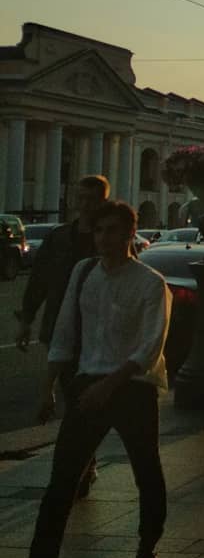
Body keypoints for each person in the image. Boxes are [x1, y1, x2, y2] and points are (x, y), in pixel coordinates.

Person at [0, 200, 172, 558]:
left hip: (132, 389)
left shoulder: (151, 283)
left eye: (112, 231)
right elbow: (64, 335)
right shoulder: (82, 274)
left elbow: (150, 348)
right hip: (87, 386)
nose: (103, 239)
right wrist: (48, 390)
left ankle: (146, 554)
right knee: (61, 484)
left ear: (132, 234)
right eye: (98, 231)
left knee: (146, 474)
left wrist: (109, 386)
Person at [14, 174, 110, 498]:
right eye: (80, 198)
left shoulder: (107, 239)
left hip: (95, 333)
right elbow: (38, 280)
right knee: (74, 400)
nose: (83, 204)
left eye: (90, 199)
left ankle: (82, 464)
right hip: (59, 327)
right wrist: (26, 320)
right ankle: (83, 462)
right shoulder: (59, 238)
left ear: (102, 202)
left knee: (84, 403)